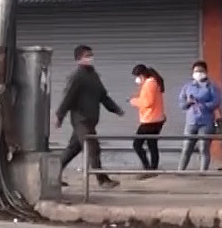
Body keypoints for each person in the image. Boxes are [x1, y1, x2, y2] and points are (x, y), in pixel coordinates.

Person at [55, 45, 124, 189]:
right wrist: (60, 116)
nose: (90, 58)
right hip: (81, 120)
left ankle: (52, 175)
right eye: (87, 55)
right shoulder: (77, 76)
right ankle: (102, 180)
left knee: (73, 149)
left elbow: (103, 96)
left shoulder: (93, 75)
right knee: (93, 148)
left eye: (91, 55)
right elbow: (68, 97)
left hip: (91, 120)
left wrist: (115, 109)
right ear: (79, 59)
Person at [178, 61, 220, 172]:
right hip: (191, 121)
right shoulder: (187, 87)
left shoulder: (211, 86)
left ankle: (203, 173)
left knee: (204, 148)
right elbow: (182, 104)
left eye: (201, 71)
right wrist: (188, 102)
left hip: (206, 122)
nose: (198, 73)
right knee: (186, 148)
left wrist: (204, 105)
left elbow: (216, 102)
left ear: (206, 72)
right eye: (196, 71)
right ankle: (180, 172)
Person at [129, 64, 166, 174]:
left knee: (137, 144)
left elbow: (147, 102)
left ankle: (148, 168)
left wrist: (134, 101)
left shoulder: (150, 83)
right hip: (157, 119)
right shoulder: (154, 82)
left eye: (137, 77)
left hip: (150, 120)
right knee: (152, 144)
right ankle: (152, 169)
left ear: (142, 75)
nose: (136, 80)